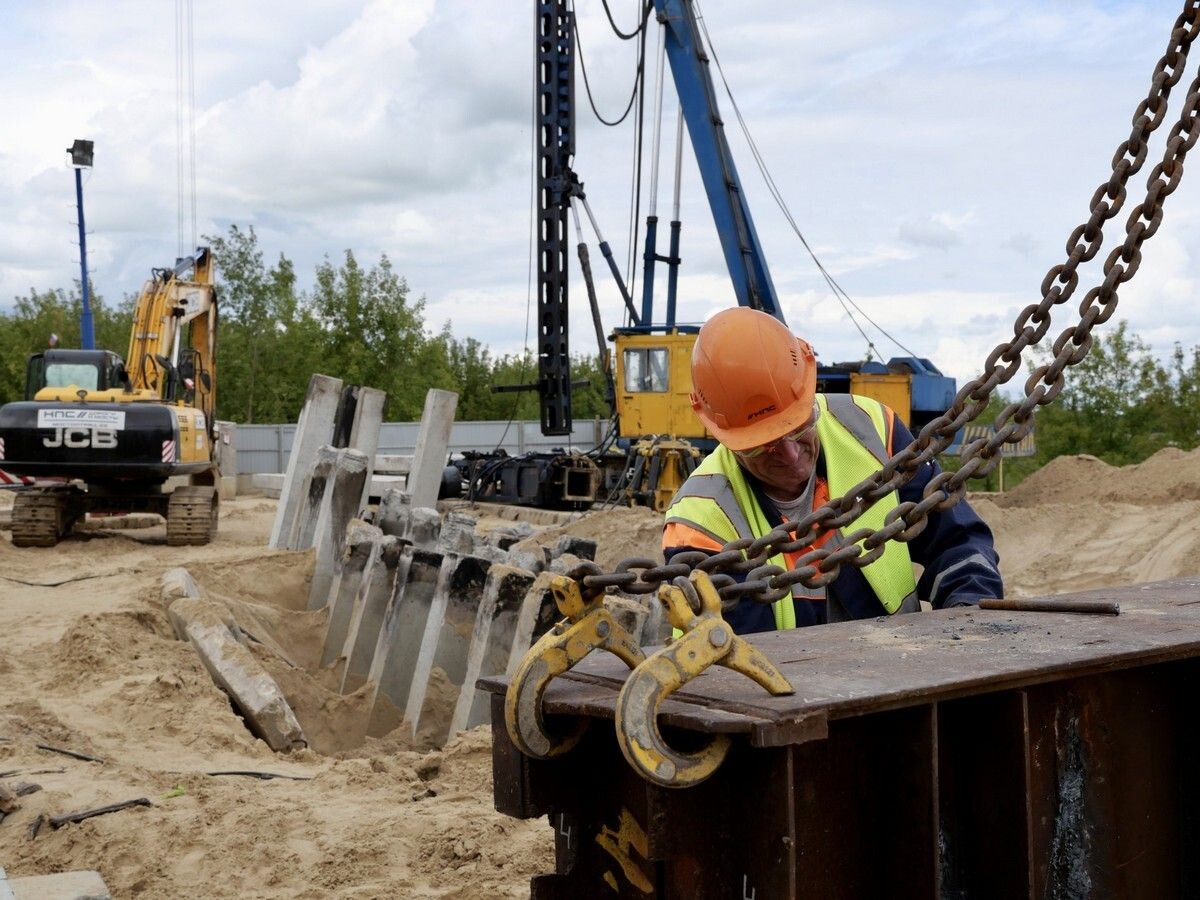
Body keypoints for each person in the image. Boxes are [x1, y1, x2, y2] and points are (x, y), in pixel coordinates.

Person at [663, 307, 1002, 633]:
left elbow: (956, 540)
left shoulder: (872, 431)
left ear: (812, 392)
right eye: (761, 447)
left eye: (798, 427)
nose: (792, 456)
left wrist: (969, 619)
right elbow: (741, 667)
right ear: (723, 435)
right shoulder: (700, 524)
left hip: (908, 672)